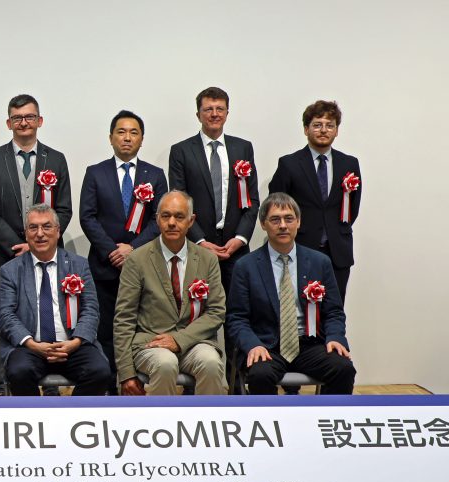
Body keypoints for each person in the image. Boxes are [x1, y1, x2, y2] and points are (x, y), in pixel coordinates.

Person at [0, 94, 72, 396]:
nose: (24, 122)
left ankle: (52, 382)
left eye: (29, 117)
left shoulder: (56, 160)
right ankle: (2, 385)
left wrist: (38, 246)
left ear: (39, 121)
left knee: (48, 314)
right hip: (4, 256)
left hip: (48, 257)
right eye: (17, 118)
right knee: (4, 321)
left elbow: (65, 209)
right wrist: (20, 245)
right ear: (9, 123)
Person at [227, 193, 355, 394]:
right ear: (263, 224)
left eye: (289, 218)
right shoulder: (246, 266)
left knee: (343, 368)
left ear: (298, 222)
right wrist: (252, 345)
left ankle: (323, 423)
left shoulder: (320, 262)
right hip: (266, 345)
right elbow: (236, 318)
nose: (283, 225)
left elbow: (334, 312)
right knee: (260, 374)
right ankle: (270, 425)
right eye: (275, 219)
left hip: (310, 344)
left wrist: (336, 337)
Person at [79, 110, 168, 377]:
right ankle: (108, 384)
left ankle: (136, 383)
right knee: (106, 328)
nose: (127, 138)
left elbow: (159, 218)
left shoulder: (155, 174)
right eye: (121, 132)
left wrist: (133, 248)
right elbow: (87, 216)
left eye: (133, 133)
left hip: (144, 264)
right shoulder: (95, 173)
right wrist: (112, 251)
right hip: (105, 267)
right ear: (110, 138)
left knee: (141, 328)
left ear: (141, 139)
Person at [114, 191, 227, 396]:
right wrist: (126, 374)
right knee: (165, 364)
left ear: (191, 221)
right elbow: (124, 318)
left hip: (195, 342)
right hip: (151, 343)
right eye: (165, 216)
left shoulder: (207, 259)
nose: (172, 222)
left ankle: (205, 425)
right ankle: (161, 427)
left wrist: (179, 339)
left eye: (179, 216)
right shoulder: (137, 260)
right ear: (157, 219)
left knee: (211, 363)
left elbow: (216, 312)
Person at [0, 204, 110, 396]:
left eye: (46, 227)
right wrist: (32, 344)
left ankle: (72, 420)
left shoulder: (78, 265)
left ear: (58, 232)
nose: (40, 234)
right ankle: (36, 422)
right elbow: (5, 315)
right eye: (33, 227)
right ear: (26, 234)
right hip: (30, 347)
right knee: (18, 372)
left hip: (72, 346)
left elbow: (91, 309)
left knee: (100, 371)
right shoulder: (11, 270)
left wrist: (75, 342)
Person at [168, 87, 259, 290]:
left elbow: (252, 200)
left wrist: (240, 238)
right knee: (198, 308)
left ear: (227, 113)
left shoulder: (243, 148)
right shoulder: (181, 151)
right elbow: (178, 204)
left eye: (220, 108)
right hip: (196, 247)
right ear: (198, 114)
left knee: (237, 311)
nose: (215, 114)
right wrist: (200, 241)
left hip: (235, 248)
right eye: (208, 109)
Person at [269, 100, 361, 299]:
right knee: (299, 309)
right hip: (300, 248)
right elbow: (275, 206)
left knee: (334, 309)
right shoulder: (289, 164)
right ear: (306, 129)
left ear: (336, 131)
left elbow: (353, 207)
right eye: (317, 125)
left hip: (338, 251)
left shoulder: (349, 164)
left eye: (330, 125)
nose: (323, 130)